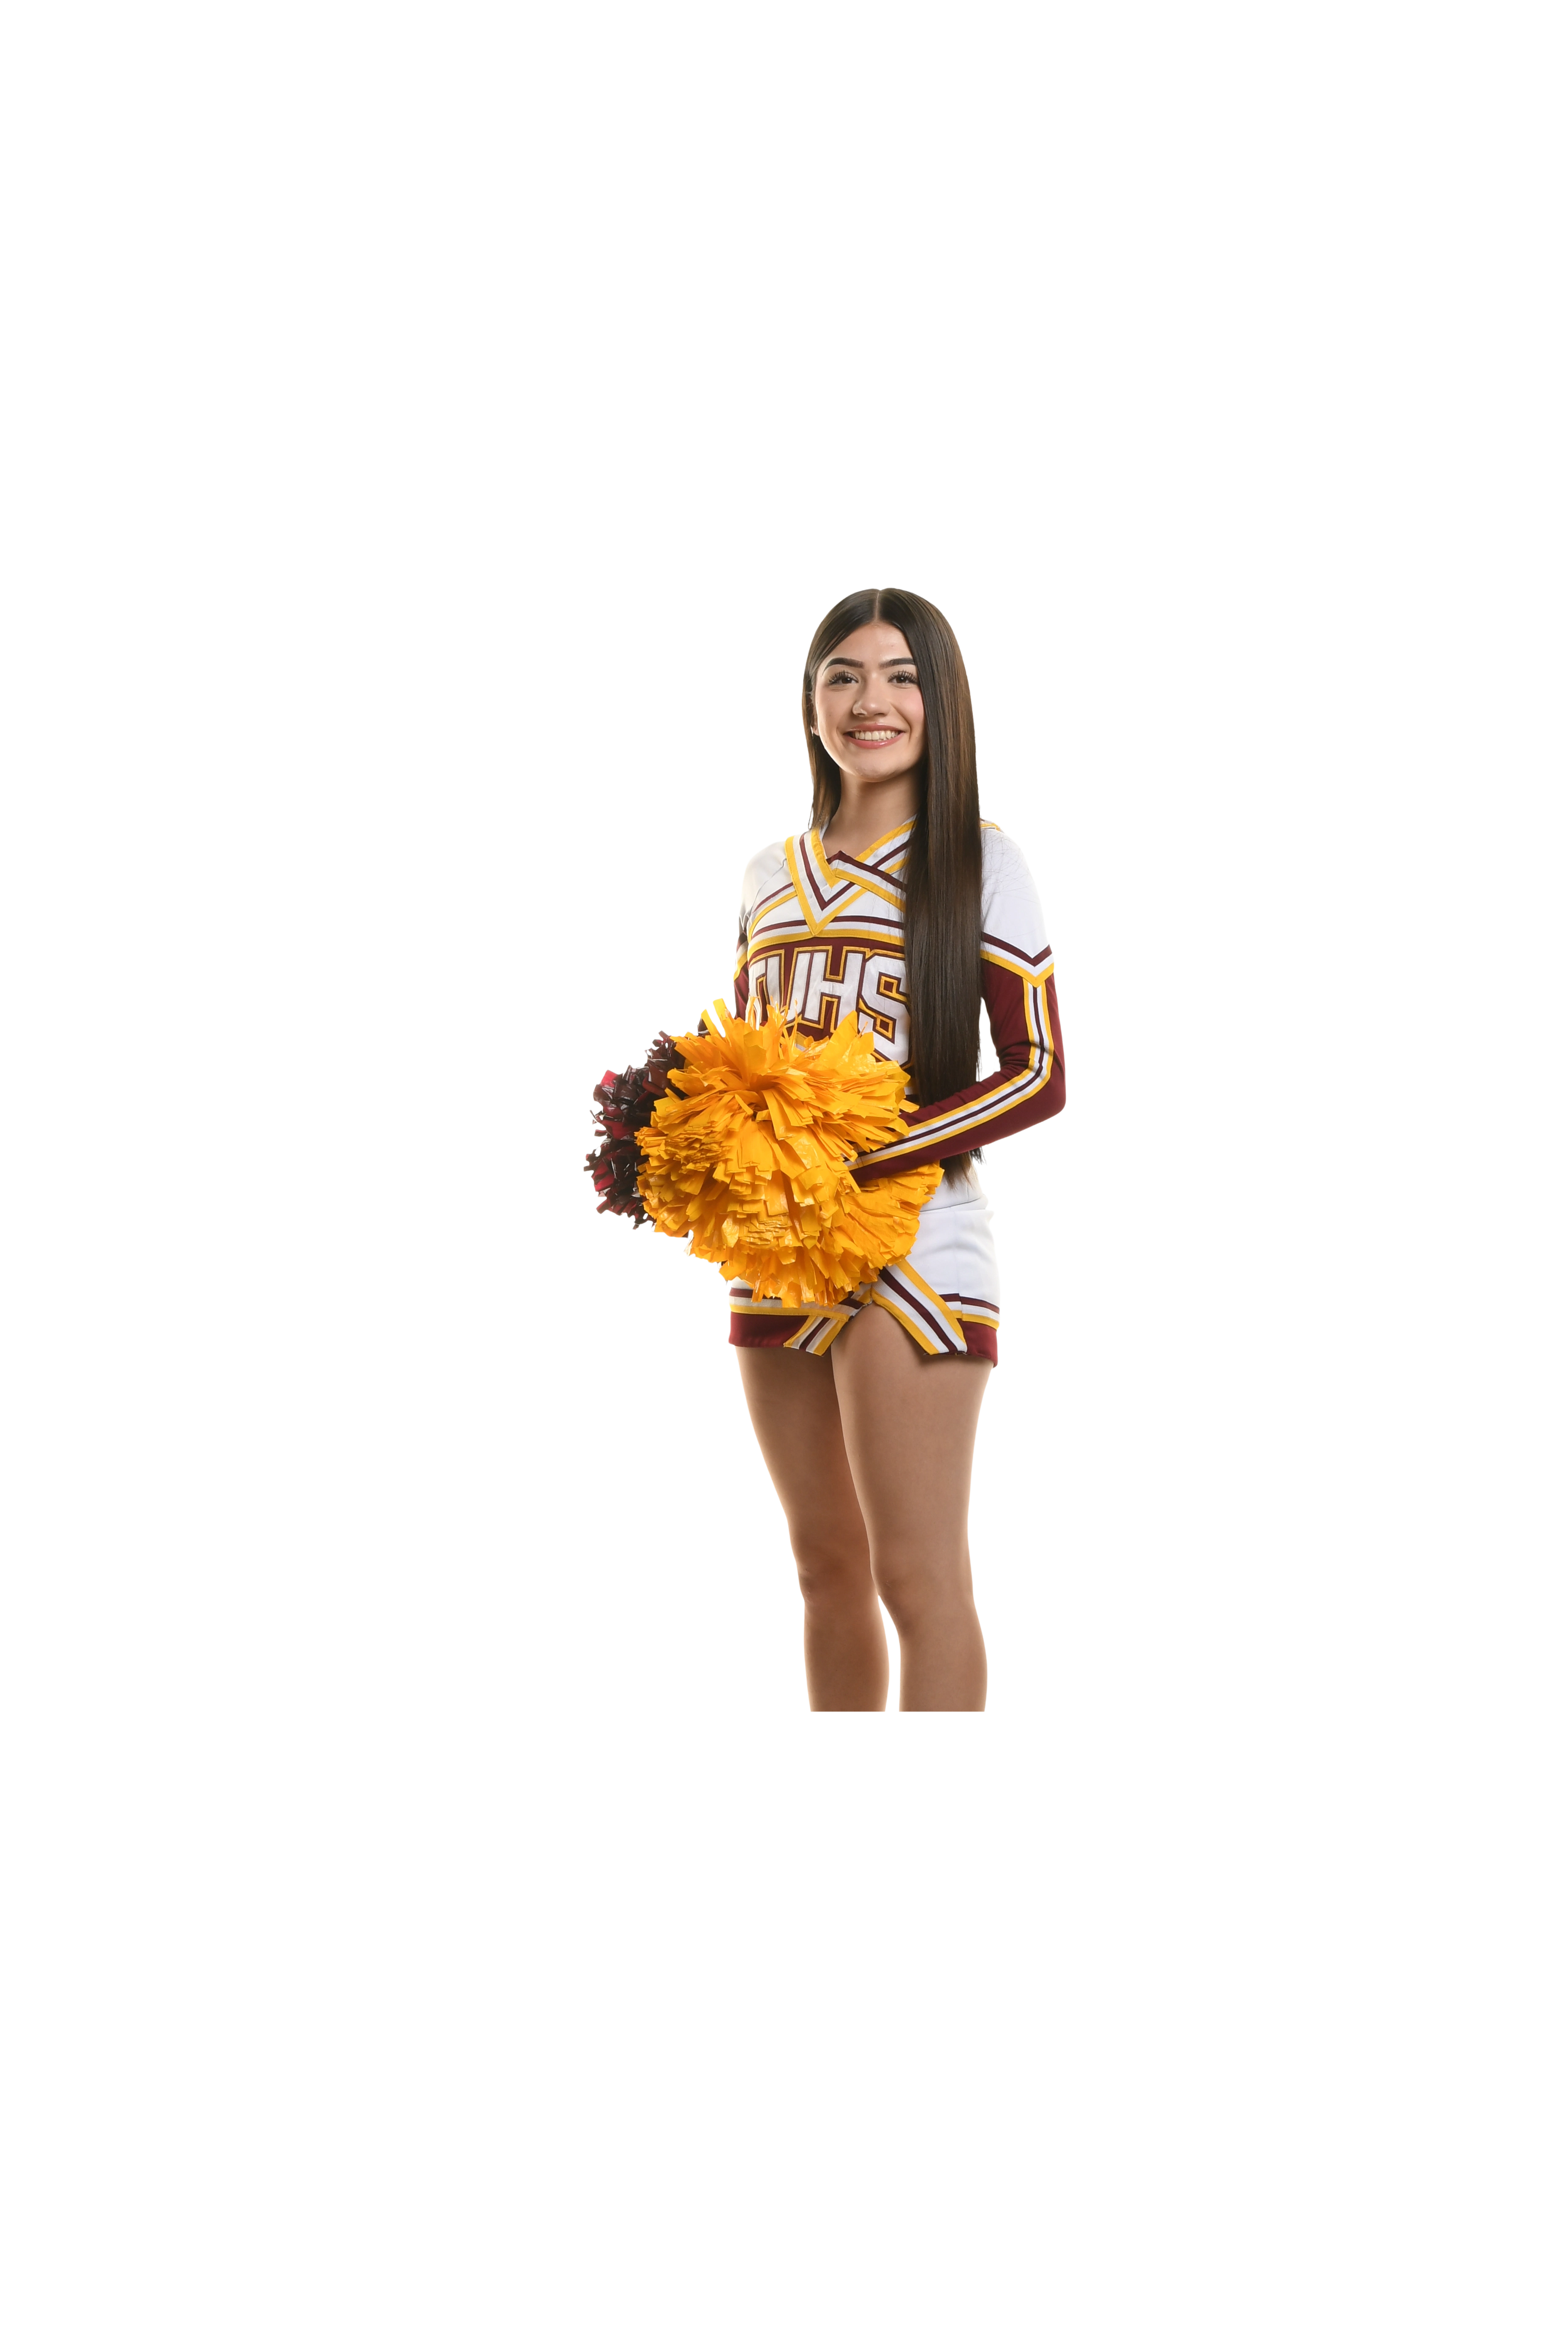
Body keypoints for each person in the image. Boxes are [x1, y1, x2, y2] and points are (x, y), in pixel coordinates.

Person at [730, 586, 1066, 1712]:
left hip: (918, 1244)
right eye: (842, 675)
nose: (870, 700)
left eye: (902, 676)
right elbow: (743, 1061)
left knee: (917, 1578)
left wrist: (864, 1158)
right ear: (808, 703)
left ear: (945, 700)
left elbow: (1040, 1073)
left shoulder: (980, 861)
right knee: (823, 1573)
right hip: (777, 1248)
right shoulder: (767, 874)